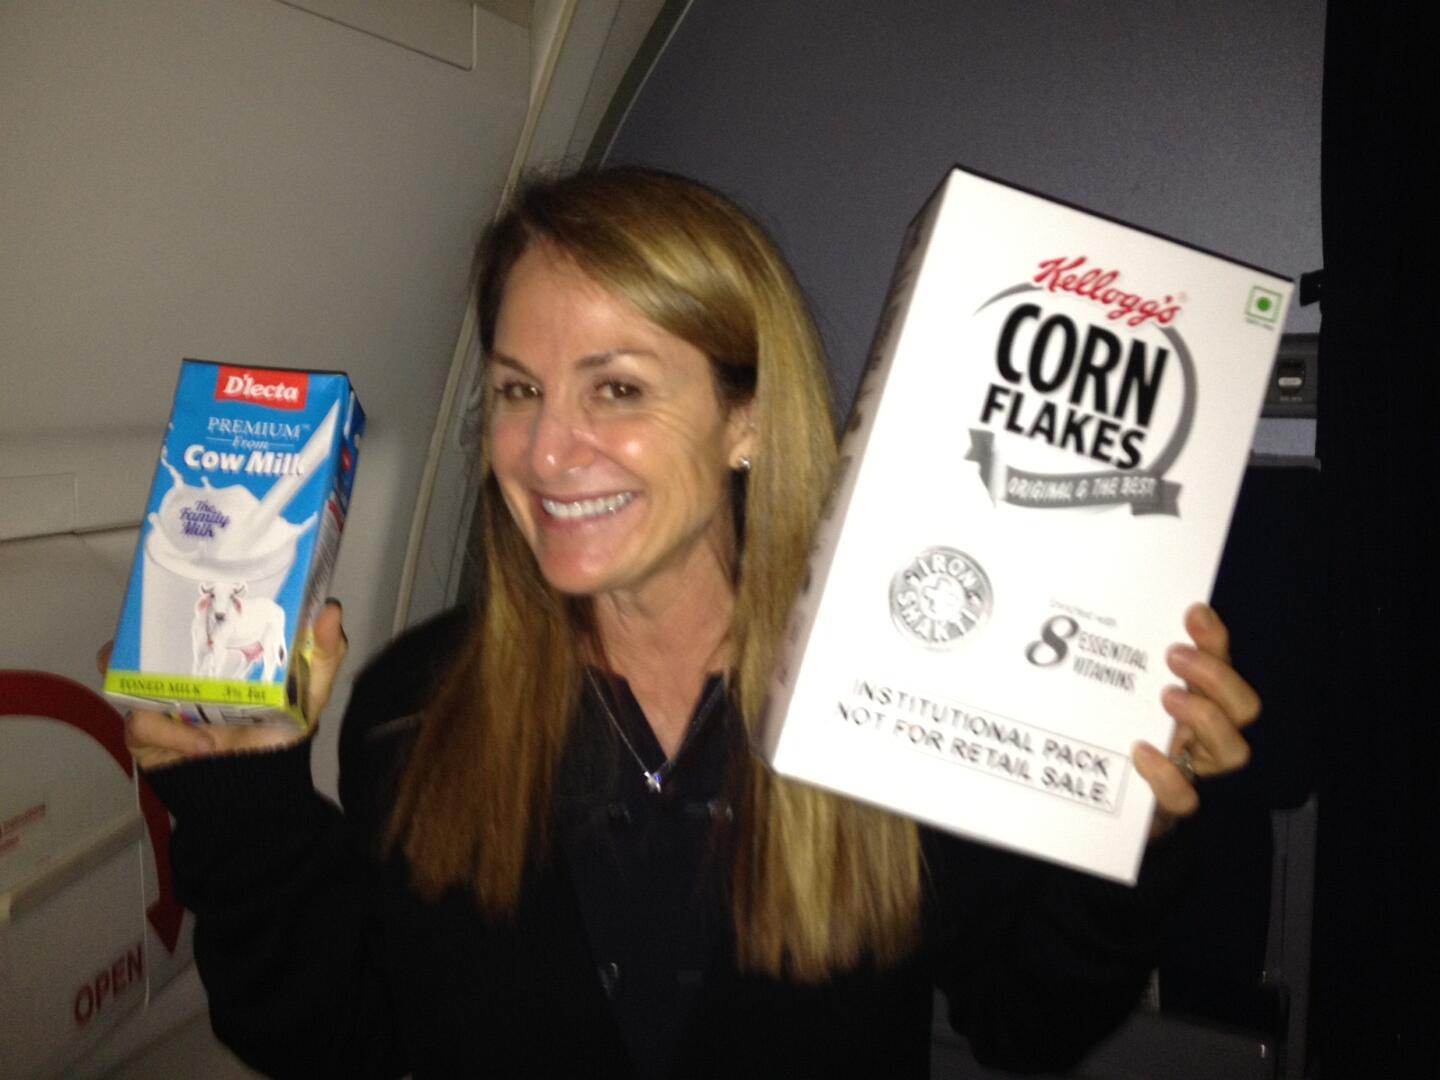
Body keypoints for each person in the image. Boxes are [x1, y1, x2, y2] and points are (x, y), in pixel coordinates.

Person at [122, 168, 1259, 1079]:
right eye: (519, 390)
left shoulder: (893, 702)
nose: (545, 450)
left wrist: (1134, 829)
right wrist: (241, 798)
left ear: (745, 421)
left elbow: (1027, 1026)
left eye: (616, 388)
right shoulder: (416, 706)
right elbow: (342, 1045)